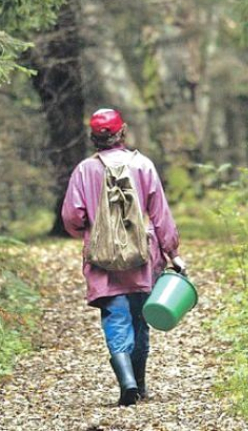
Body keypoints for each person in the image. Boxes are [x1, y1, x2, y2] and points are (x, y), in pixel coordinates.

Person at [61, 108, 186, 406]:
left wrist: (91, 231)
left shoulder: (84, 170)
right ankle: (140, 384)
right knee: (141, 320)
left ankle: (126, 382)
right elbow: (160, 215)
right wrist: (173, 253)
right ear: (123, 131)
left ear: (93, 138)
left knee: (115, 318)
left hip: (104, 262)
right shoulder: (143, 165)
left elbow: (72, 216)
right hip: (143, 258)